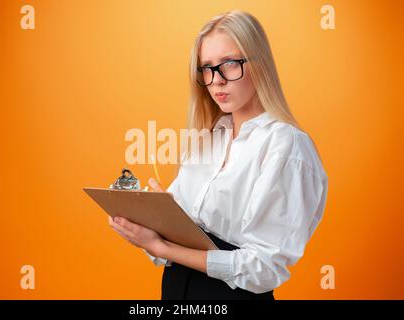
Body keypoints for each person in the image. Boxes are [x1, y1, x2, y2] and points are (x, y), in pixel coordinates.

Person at [109, 10, 328, 300]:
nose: (217, 81)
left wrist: (164, 248)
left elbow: (264, 268)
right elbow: (172, 242)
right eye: (207, 68)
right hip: (176, 290)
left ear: (259, 63)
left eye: (230, 64)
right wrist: (152, 220)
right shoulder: (208, 139)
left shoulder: (286, 145)